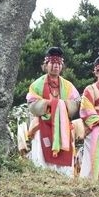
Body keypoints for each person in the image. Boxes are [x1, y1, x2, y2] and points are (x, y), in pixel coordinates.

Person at [25, 46, 80, 176]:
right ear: (46, 64)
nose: (56, 66)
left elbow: (76, 103)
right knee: (42, 152)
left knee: (65, 154)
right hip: (43, 124)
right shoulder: (37, 84)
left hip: (63, 126)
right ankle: (43, 177)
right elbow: (32, 104)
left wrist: (59, 105)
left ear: (62, 66)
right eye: (53, 63)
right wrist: (50, 103)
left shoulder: (68, 85)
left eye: (59, 63)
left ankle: (64, 177)